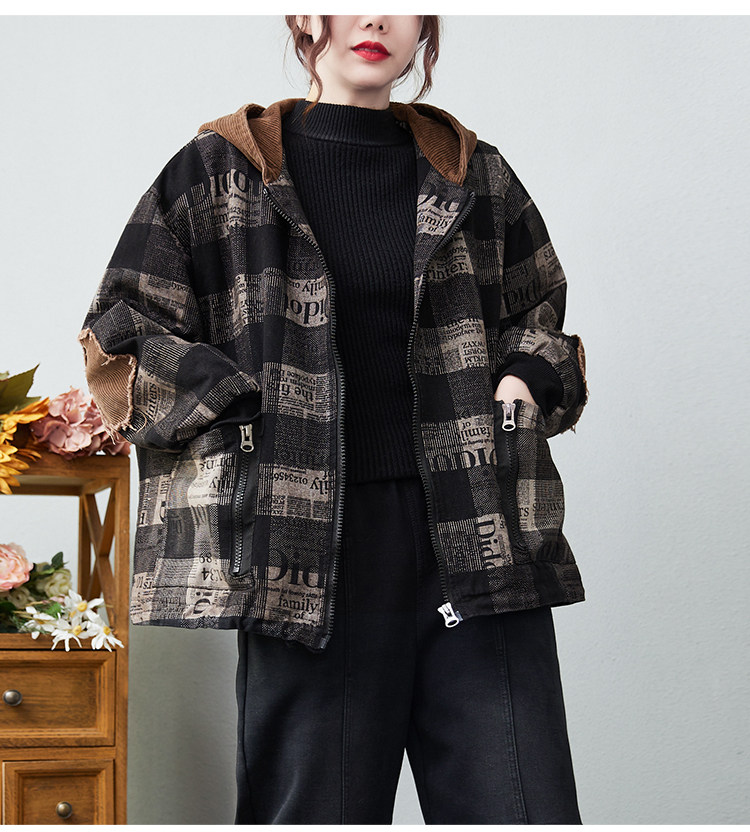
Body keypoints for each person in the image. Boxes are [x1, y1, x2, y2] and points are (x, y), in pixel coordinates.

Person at [78, 14, 589, 825]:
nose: (376, 18)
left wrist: (525, 381)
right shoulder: (221, 172)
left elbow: (540, 314)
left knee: (520, 805)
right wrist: (237, 399)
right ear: (304, 15)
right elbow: (121, 338)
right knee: (315, 809)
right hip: (302, 548)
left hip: (477, 532)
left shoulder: (473, 174)